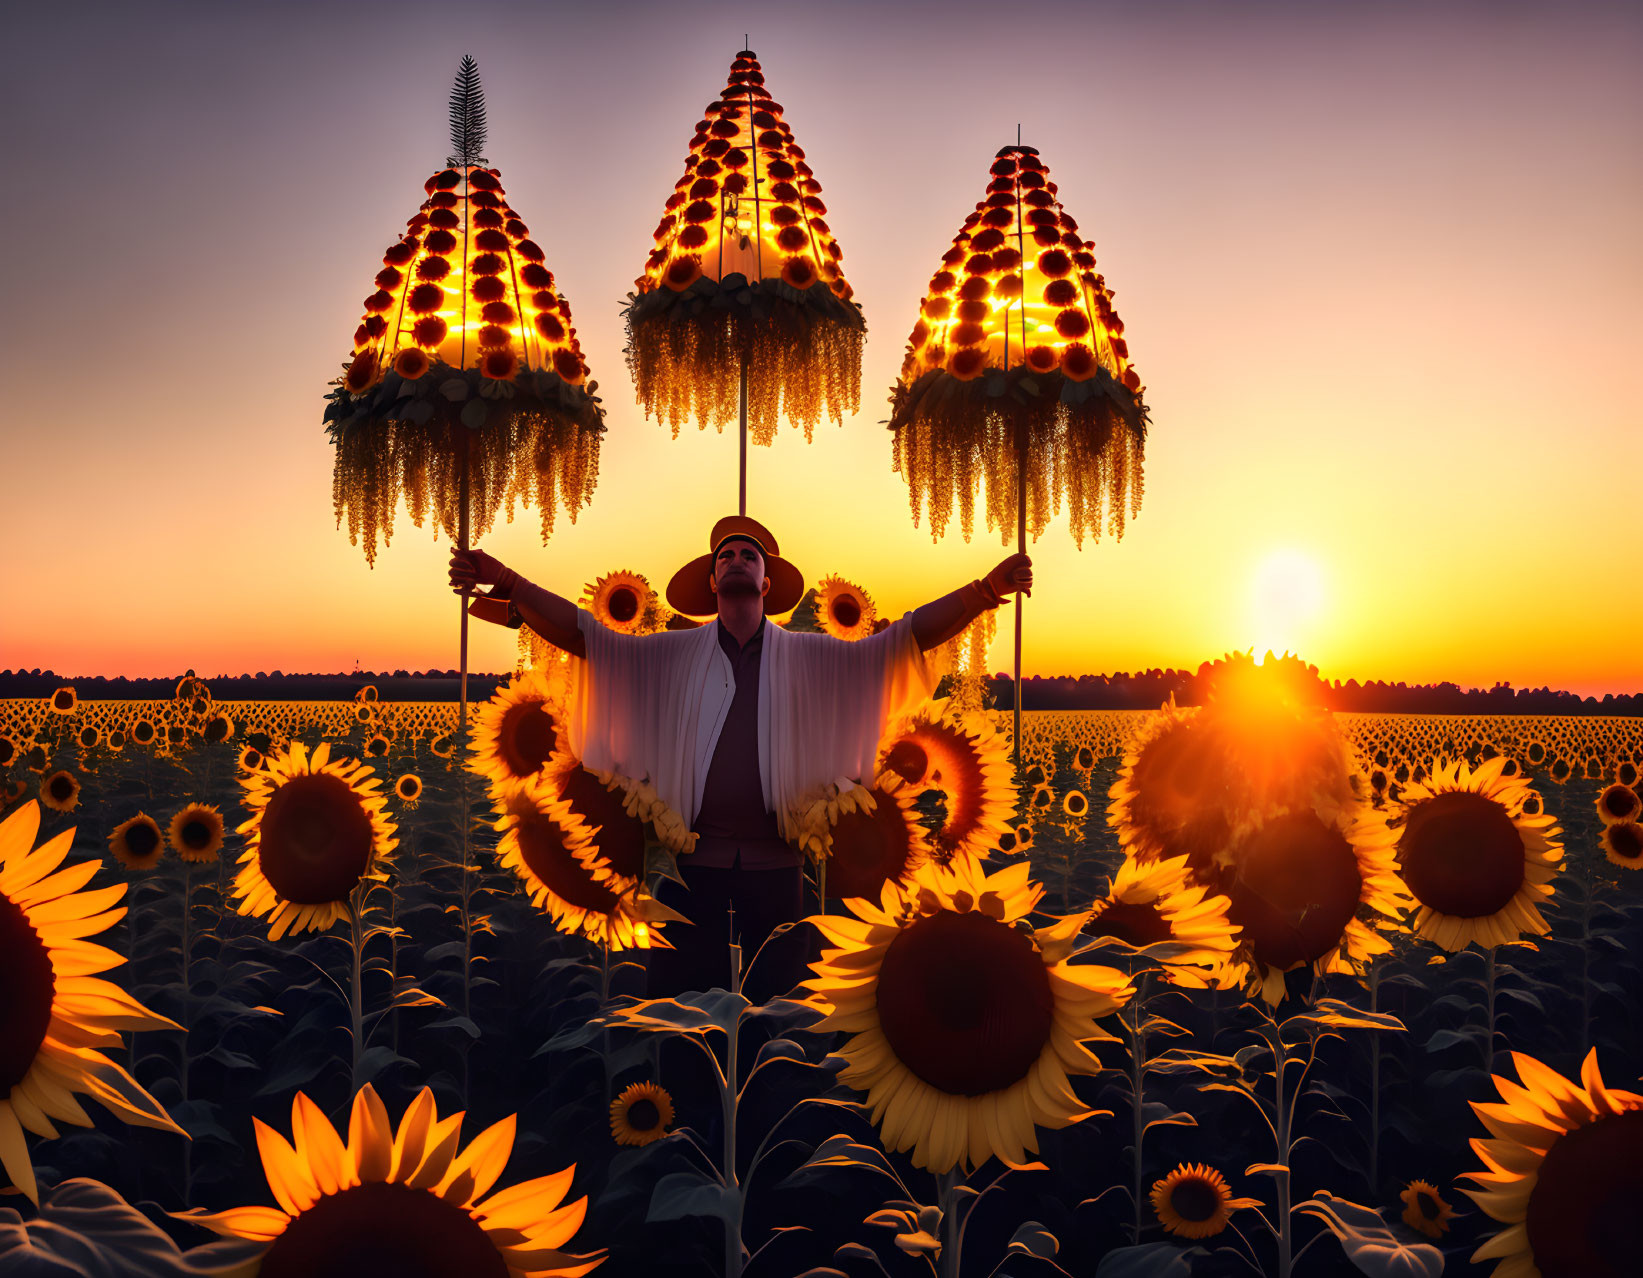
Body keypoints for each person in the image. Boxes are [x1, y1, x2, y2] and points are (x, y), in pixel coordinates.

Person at [448, 515, 1031, 1001]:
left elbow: (904, 639)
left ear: (767, 582)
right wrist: (506, 584)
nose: (735, 558)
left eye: (748, 554)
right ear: (711, 581)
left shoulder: (812, 657)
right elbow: (586, 637)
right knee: (679, 1017)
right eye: (724, 554)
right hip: (685, 874)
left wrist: (984, 591)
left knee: (777, 1022)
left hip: (778, 874)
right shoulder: (670, 655)